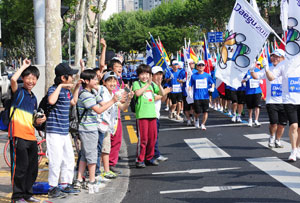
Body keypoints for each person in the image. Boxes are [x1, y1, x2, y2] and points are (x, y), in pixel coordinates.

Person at [74, 69, 121, 194]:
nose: (97, 81)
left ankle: (79, 179)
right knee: (92, 155)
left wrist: (116, 100)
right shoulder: (85, 95)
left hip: (92, 127)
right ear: (87, 81)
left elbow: (103, 103)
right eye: (94, 79)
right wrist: (113, 101)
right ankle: (92, 181)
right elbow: (99, 110)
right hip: (87, 129)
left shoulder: (93, 92)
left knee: (85, 154)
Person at [10, 59, 46, 203]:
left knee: (32, 168)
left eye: (34, 78)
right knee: (21, 168)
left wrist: (38, 121)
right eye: (28, 77)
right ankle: (18, 196)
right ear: (23, 78)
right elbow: (13, 79)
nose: (31, 81)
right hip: (18, 135)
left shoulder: (33, 98)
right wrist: (24, 66)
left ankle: (27, 194)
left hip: (31, 136)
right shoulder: (18, 92)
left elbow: (32, 119)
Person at [46, 63, 81, 198]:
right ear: (63, 78)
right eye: (70, 76)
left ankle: (65, 184)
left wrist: (76, 87)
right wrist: (60, 86)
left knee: (68, 158)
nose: (72, 78)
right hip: (54, 131)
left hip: (64, 131)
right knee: (56, 160)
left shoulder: (67, 91)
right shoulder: (54, 89)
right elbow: (51, 101)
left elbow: (73, 102)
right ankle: (52, 187)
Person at [265, 51, 300, 161]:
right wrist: (266, 68)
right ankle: (293, 150)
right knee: (293, 125)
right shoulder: (282, 65)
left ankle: (298, 148)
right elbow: (271, 77)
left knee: (299, 127)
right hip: (288, 100)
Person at [97, 71, 133, 179]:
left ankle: (105, 170)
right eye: (109, 81)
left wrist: (129, 99)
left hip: (107, 126)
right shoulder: (101, 90)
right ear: (104, 82)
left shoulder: (113, 94)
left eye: (114, 81)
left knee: (105, 148)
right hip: (100, 125)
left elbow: (123, 107)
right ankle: (98, 171)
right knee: (101, 149)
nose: (112, 83)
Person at [251, 49, 287, 148]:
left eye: (277, 57)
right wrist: (251, 69)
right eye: (273, 56)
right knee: (274, 122)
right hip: (271, 101)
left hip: (285, 101)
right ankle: (272, 136)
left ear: (283, 58)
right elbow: (255, 76)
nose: (275, 58)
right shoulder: (268, 68)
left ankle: (278, 140)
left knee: (282, 124)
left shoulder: (287, 69)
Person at [133, 64, 164, 168]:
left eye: (147, 74)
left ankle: (150, 158)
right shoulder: (137, 83)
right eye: (142, 74)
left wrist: (159, 85)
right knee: (143, 139)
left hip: (152, 115)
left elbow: (162, 93)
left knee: (152, 138)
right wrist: (147, 84)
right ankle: (140, 159)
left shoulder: (152, 85)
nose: (144, 76)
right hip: (142, 115)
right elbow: (137, 94)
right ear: (138, 75)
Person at [152, 66, 171, 162]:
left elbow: (163, 100)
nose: (159, 76)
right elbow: (152, 98)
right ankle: (153, 155)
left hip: (156, 115)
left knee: (155, 136)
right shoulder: (150, 85)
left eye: (161, 74)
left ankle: (154, 154)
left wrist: (165, 92)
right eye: (157, 74)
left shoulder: (159, 86)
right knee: (151, 137)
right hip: (149, 115)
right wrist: (164, 92)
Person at [189, 60, 214, 130]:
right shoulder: (193, 76)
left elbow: (212, 83)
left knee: (205, 111)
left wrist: (212, 88)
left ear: (204, 66)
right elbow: (190, 84)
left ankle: (203, 124)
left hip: (205, 97)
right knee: (197, 112)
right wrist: (190, 91)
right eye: (199, 65)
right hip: (197, 97)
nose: (201, 67)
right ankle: (196, 119)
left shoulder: (207, 76)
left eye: (202, 65)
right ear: (197, 67)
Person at [178, 59, 197, 126]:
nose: (193, 64)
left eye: (194, 63)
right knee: (187, 107)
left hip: (194, 92)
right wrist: (182, 81)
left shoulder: (196, 71)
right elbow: (178, 79)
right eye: (192, 63)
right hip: (186, 92)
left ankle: (193, 118)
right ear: (188, 64)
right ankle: (188, 119)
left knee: (194, 107)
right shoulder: (183, 72)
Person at [243, 61, 262, 127]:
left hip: (257, 91)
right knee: (250, 107)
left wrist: (261, 80)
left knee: (257, 106)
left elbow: (264, 77)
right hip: (249, 92)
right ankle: (250, 119)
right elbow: (241, 80)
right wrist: (245, 79)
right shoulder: (246, 71)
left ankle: (256, 120)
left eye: (253, 63)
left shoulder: (258, 70)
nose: (252, 64)